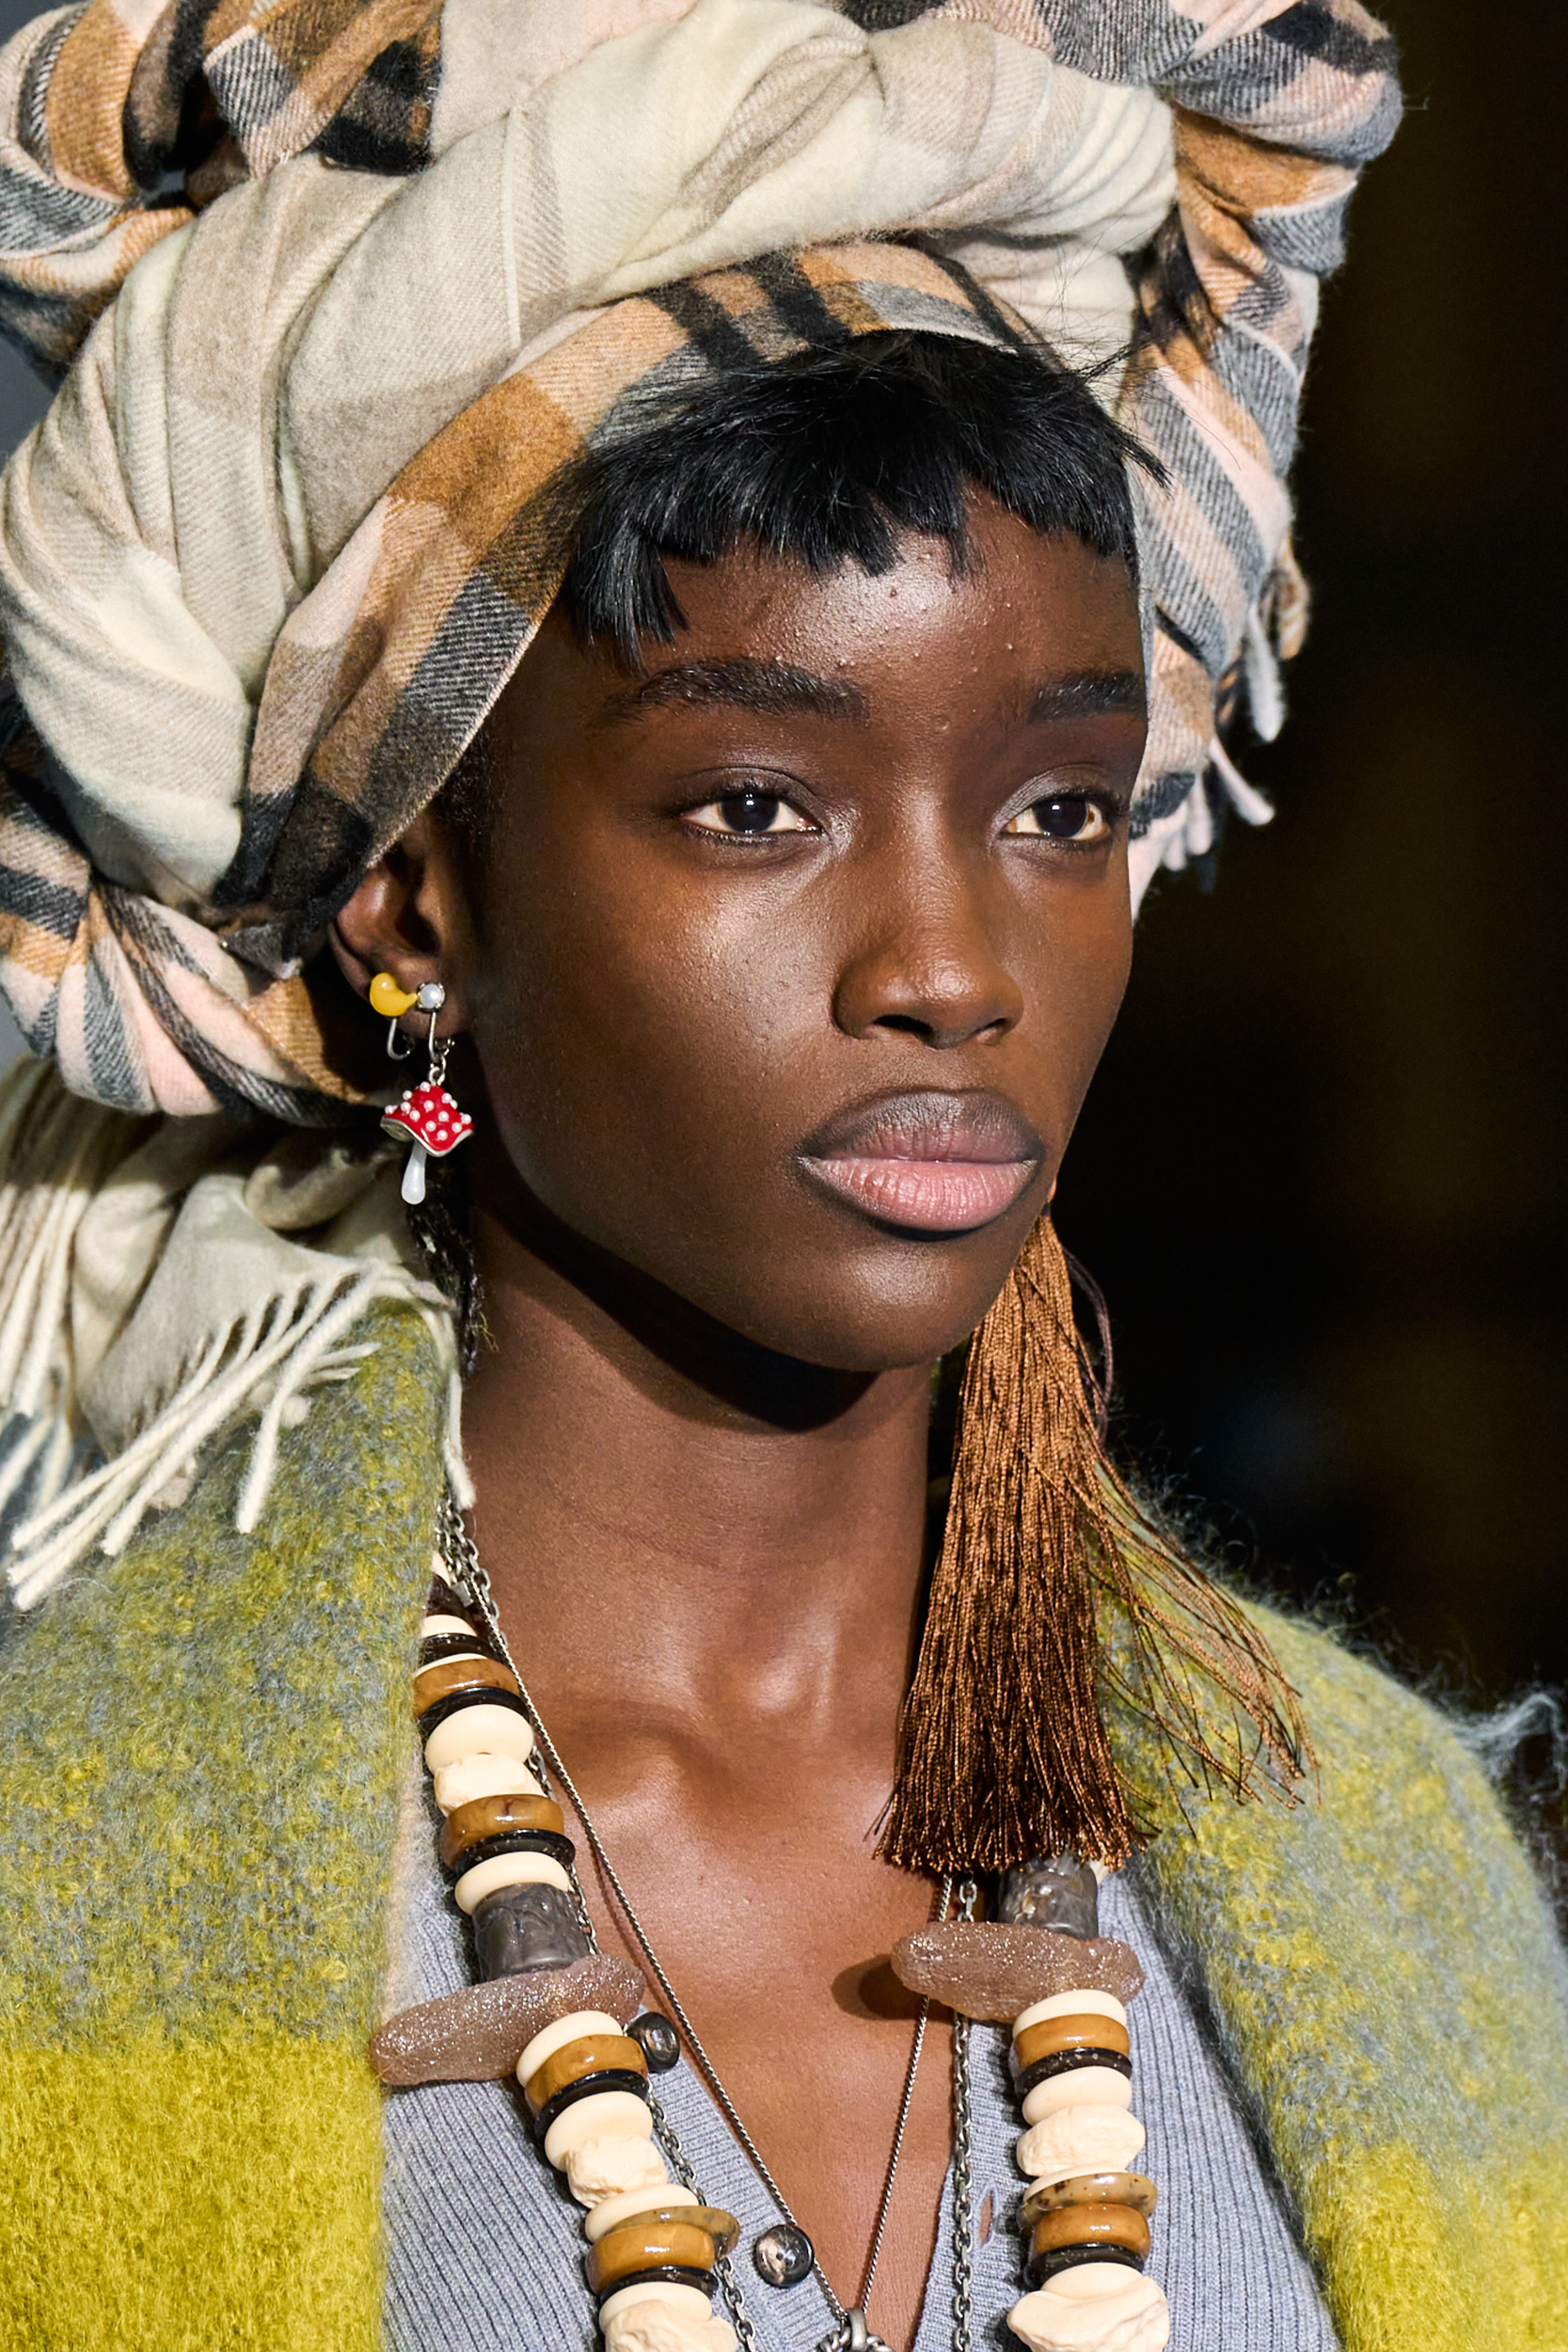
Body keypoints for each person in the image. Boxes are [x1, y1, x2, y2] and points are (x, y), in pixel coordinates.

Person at [0, 6, 1562, 2352]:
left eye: (1059, 808)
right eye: (756, 803)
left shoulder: (1388, 1861)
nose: (951, 966)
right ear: (414, 897)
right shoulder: (67, 1864)